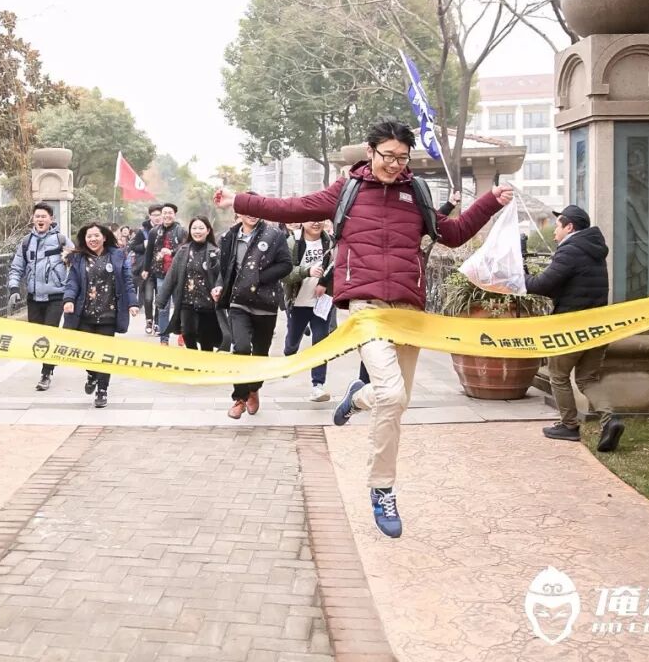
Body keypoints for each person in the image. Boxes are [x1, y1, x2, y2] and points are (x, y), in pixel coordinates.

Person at [214, 116, 511, 538]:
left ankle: (357, 397)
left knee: (397, 400)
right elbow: (292, 207)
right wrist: (240, 200)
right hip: (366, 307)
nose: (394, 164)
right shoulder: (346, 191)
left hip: (408, 310)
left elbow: (454, 233)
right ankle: (382, 487)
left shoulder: (417, 192)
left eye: (402, 158)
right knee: (392, 394)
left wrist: (490, 202)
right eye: (388, 155)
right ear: (370, 152)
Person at [525, 204, 622, 452]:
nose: (554, 231)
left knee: (558, 375)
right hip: (598, 326)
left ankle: (568, 425)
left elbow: (541, 285)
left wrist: (520, 275)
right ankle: (610, 419)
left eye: (558, 226)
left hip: (571, 327)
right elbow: (568, 285)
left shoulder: (571, 250)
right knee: (587, 378)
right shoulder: (593, 250)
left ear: (569, 227)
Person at [214, 198, 293, 419]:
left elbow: (286, 265)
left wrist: (258, 278)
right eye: (246, 209)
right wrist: (220, 285)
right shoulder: (229, 237)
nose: (251, 213)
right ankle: (239, 398)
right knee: (240, 348)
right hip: (238, 302)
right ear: (238, 212)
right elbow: (226, 269)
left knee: (260, 354)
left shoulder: (274, 235)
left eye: (255, 208)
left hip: (265, 303)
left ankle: (253, 389)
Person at [62, 223, 139, 408]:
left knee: (105, 354)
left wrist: (133, 303)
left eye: (96, 235)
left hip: (108, 314)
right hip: (84, 314)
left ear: (104, 237)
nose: (93, 239)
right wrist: (69, 300)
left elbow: (127, 282)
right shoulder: (79, 258)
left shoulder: (118, 256)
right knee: (86, 353)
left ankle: (102, 390)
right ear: (85, 239)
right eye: (89, 236)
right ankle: (92, 374)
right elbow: (72, 282)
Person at [7, 203, 72, 392]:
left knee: (49, 333)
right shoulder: (26, 242)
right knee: (37, 335)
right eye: (37, 216)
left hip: (56, 296)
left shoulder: (61, 240)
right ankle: (50, 359)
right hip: (34, 297)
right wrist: (14, 288)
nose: (40, 219)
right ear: (33, 219)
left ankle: (46, 373)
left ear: (51, 219)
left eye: (44, 216)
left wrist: (70, 292)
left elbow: (75, 264)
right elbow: (17, 267)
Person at [283, 220, 334, 402]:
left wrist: (326, 284)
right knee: (293, 340)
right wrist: (307, 271)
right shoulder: (292, 242)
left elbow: (338, 267)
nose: (316, 223)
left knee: (321, 343)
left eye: (320, 218)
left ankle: (318, 386)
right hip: (298, 302)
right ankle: (288, 358)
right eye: (311, 218)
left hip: (322, 303)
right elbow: (285, 274)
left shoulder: (331, 242)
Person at [157, 216, 222, 352]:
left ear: (208, 230)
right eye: (194, 228)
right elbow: (172, 276)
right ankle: (192, 360)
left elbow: (221, 276)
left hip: (207, 303)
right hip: (186, 301)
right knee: (187, 333)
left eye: (201, 228)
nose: (197, 231)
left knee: (206, 340)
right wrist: (161, 300)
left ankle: (205, 363)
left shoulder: (215, 252)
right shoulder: (183, 251)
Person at [141, 203, 186, 345]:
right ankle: (164, 338)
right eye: (164, 213)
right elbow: (149, 252)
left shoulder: (181, 231)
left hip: (178, 274)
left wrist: (171, 252)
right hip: (161, 275)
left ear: (174, 214)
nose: (167, 215)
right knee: (163, 307)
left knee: (180, 306)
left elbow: (185, 248)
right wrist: (146, 269)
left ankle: (182, 333)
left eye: (170, 213)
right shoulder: (154, 231)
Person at [130, 205, 163, 335]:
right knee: (148, 298)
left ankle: (158, 323)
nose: (157, 217)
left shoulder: (166, 231)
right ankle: (149, 320)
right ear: (150, 216)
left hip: (162, 270)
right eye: (154, 215)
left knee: (160, 299)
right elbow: (133, 246)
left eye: (159, 214)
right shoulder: (142, 231)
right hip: (147, 269)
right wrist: (144, 245)